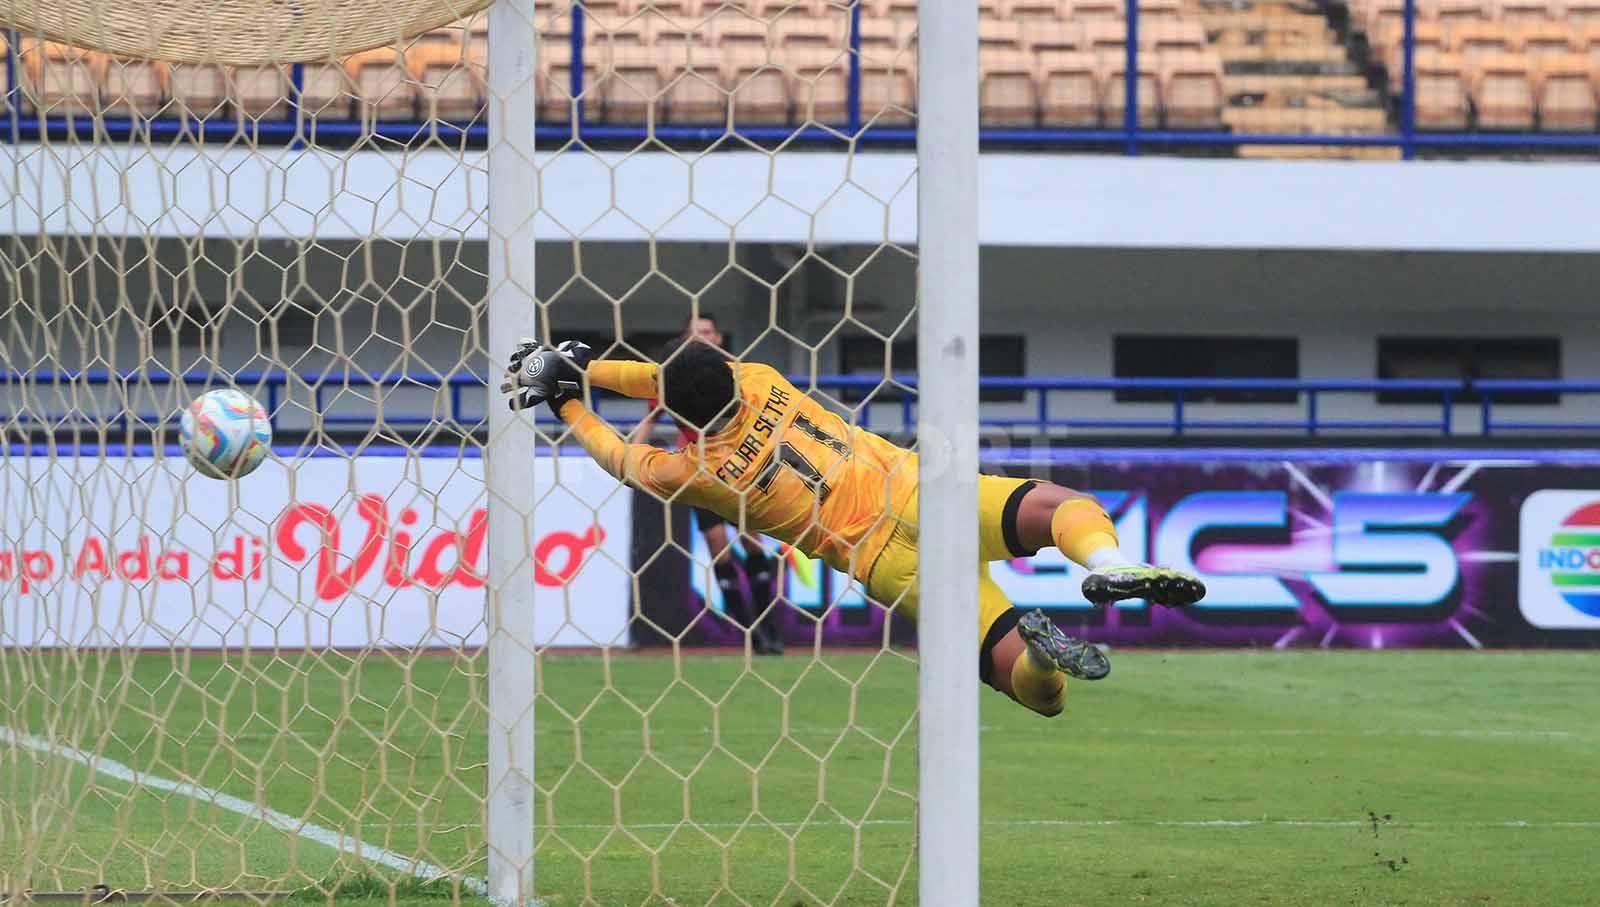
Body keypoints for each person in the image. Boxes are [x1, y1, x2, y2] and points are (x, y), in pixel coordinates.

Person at [503, 339, 1206, 717]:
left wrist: (566, 399)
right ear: (727, 373)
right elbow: (658, 375)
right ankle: (1103, 559)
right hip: (916, 492)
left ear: (685, 417)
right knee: (1056, 509)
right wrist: (587, 363)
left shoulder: (695, 473)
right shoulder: (761, 377)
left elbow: (621, 454)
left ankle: (1043, 656)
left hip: (881, 562)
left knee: (1034, 694)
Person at [631, 316, 784, 655]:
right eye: (695, 333)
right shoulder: (673, 378)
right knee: (719, 547)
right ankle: (752, 634)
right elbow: (651, 418)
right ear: (685, 338)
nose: (702, 337)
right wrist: (630, 455)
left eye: (707, 332)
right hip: (699, 474)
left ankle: (769, 626)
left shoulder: (737, 375)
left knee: (752, 542)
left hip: (738, 469)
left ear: (719, 337)